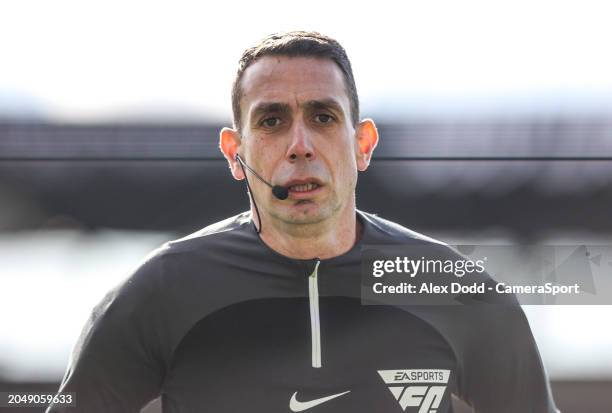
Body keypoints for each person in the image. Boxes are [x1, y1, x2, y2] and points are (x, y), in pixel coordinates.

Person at [47, 31, 560, 413]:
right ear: (235, 151)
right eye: (271, 121)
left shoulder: (456, 290)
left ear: (362, 144)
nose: (300, 146)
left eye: (323, 117)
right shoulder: (162, 289)